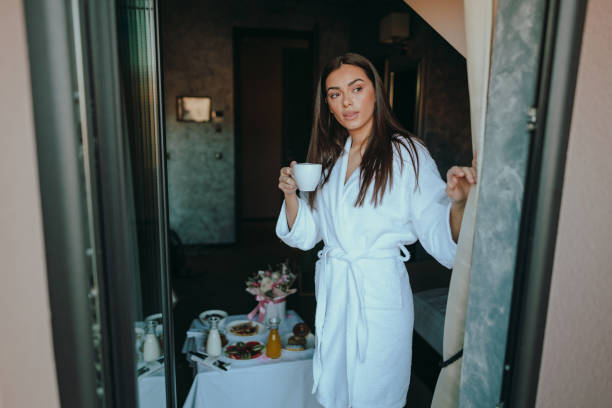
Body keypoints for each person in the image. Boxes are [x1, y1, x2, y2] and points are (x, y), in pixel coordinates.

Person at [276, 53, 476, 408]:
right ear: (329, 106)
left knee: (375, 393)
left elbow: (440, 235)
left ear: (375, 93)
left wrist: (459, 205)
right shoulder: (332, 156)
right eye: (335, 94)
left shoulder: (406, 154)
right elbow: (309, 234)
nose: (347, 101)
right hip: (337, 292)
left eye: (356, 88)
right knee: (336, 389)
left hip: (379, 293)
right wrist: (292, 195)